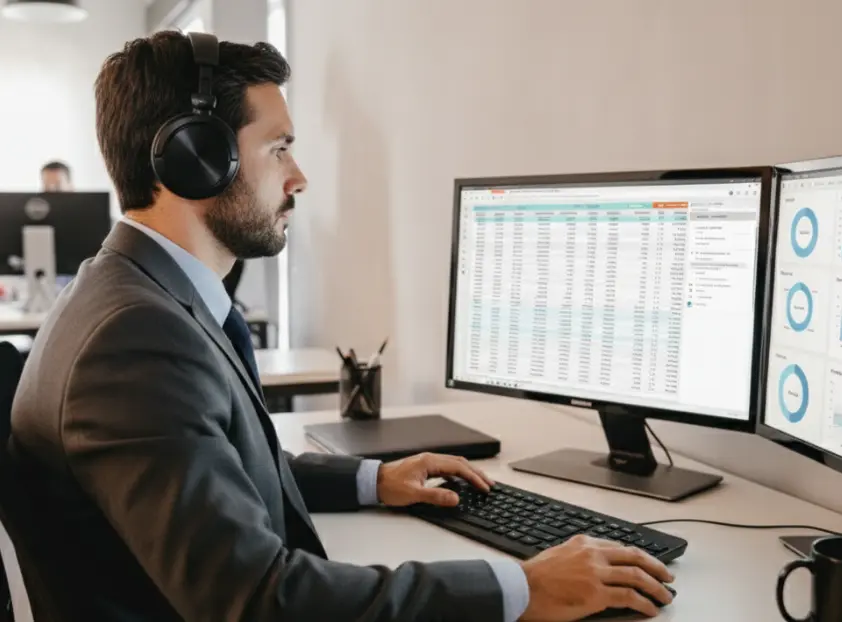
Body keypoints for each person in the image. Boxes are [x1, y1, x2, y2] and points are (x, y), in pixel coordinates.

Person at [8, 31, 674, 621]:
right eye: (278, 148)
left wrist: (372, 481)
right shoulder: (133, 342)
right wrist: (521, 589)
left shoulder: (130, 292)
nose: (298, 177)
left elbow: (218, 464)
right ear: (196, 159)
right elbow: (258, 601)